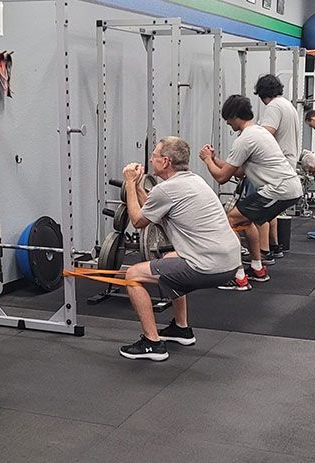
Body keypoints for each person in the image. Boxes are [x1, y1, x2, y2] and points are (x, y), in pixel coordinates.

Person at [119, 137, 241, 361]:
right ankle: (181, 328)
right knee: (170, 258)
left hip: (208, 266)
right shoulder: (194, 180)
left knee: (132, 274)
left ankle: (152, 343)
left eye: (154, 156)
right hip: (231, 263)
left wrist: (128, 182)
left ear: (165, 162)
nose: (150, 159)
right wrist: (138, 186)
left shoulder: (167, 189)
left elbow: (137, 220)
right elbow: (153, 209)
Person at [199, 95, 303, 290]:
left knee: (229, 220)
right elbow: (237, 171)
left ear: (234, 116)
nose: (228, 124)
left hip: (278, 190)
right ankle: (257, 269)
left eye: (228, 120)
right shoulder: (259, 132)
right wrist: (215, 159)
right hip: (286, 188)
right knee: (245, 221)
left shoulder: (245, 139)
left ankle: (238, 276)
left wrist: (206, 160)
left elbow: (221, 177)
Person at [254, 74, 301, 259]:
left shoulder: (273, 106)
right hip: (288, 162)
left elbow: (264, 136)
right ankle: (274, 245)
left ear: (263, 94)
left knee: (261, 208)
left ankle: (264, 252)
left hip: (277, 165)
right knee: (273, 208)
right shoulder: (288, 105)